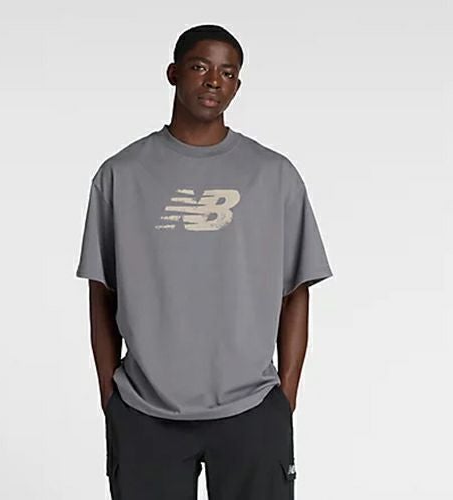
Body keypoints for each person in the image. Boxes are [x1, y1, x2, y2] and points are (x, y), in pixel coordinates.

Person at [75, 23, 333, 500]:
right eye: (200, 66)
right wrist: (111, 398)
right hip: (145, 412)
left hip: (252, 409)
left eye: (227, 72)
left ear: (237, 84)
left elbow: (296, 290)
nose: (214, 80)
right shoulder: (121, 175)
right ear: (173, 73)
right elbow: (101, 294)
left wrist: (285, 397)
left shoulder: (273, 175)